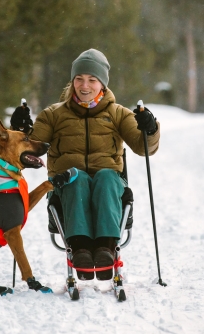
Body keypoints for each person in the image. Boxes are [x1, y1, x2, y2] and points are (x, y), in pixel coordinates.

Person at [10, 48, 160, 281]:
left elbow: (144, 148)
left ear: (103, 84)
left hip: (108, 184)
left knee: (107, 177)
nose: (85, 85)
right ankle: (79, 250)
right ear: (72, 82)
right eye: (79, 78)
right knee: (76, 177)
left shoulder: (118, 114)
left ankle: (105, 250)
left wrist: (149, 129)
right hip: (68, 185)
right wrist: (20, 130)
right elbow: (30, 147)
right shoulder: (53, 115)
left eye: (92, 79)